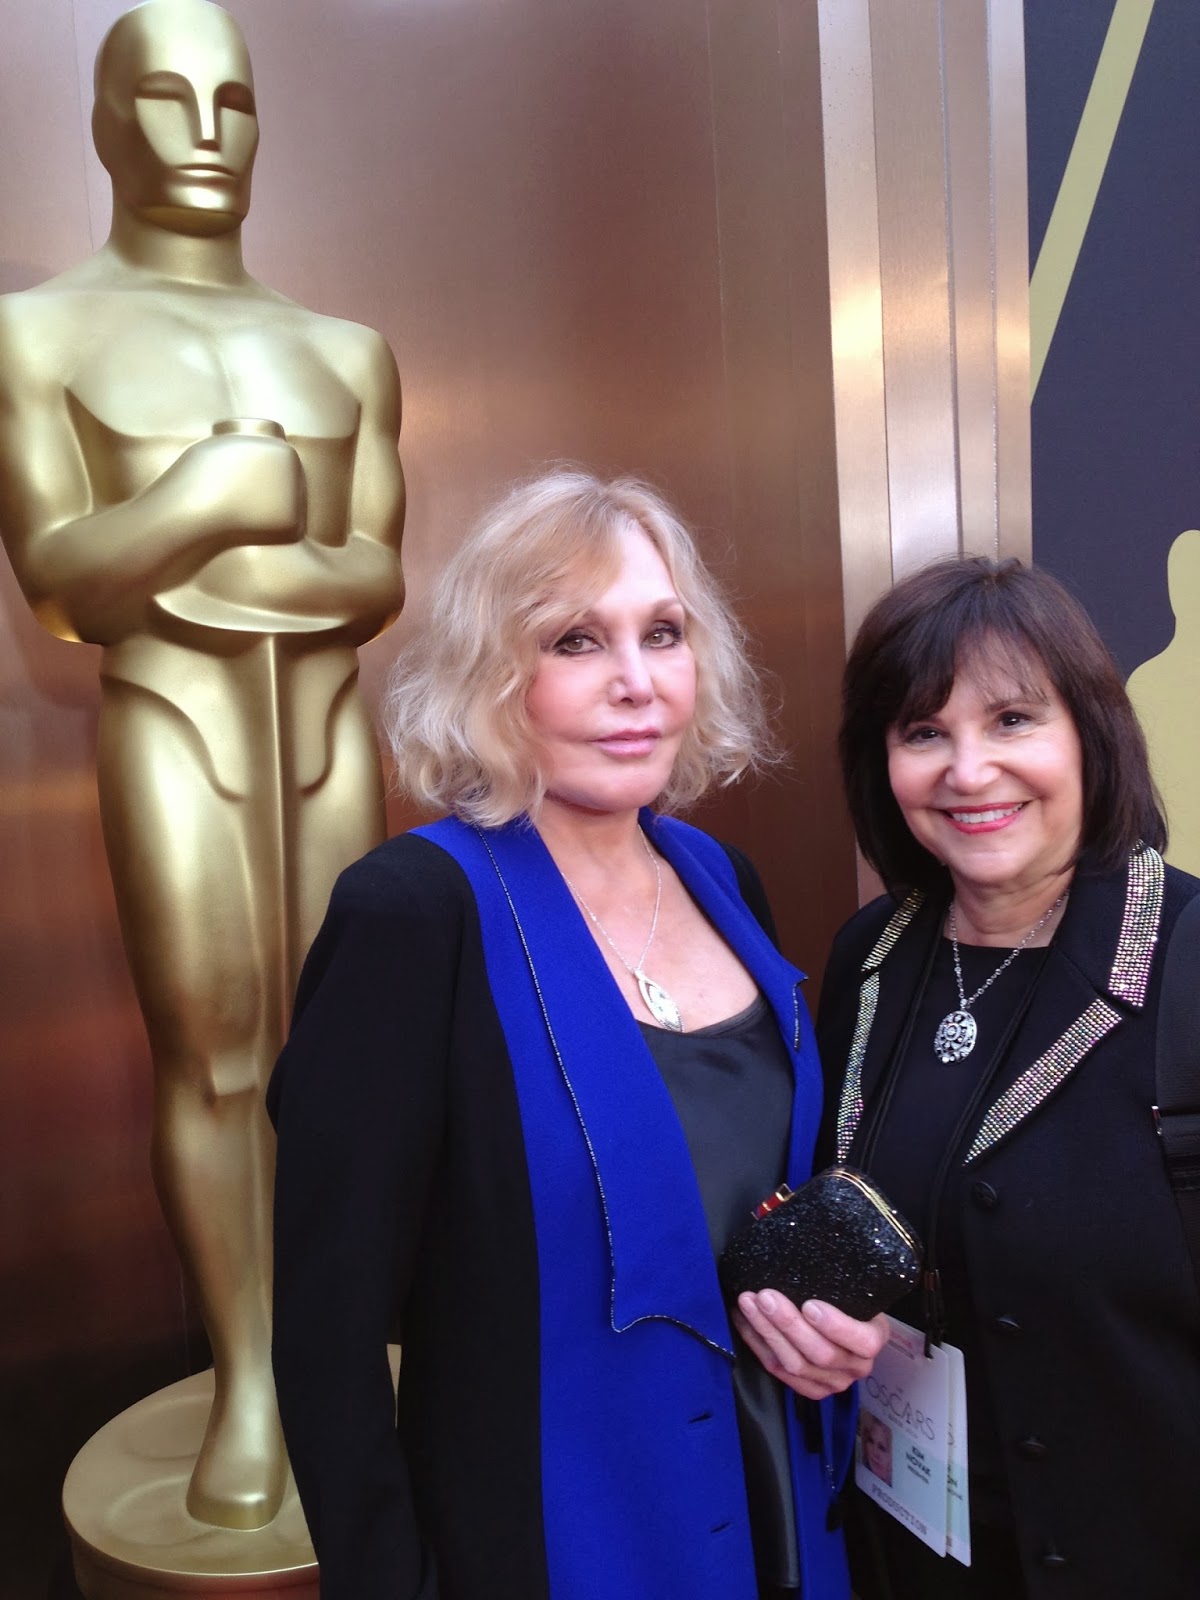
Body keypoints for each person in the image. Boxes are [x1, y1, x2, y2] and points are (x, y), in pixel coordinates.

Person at [268, 470, 887, 1600]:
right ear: (493, 675)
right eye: (576, 641)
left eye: (664, 633)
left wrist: (829, 1324)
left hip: (786, 1509)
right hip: (558, 1542)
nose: (636, 682)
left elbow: (747, 1204)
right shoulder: (415, 914)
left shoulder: (720, 877)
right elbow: (327, 1335)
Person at [0, 0, 405, 1529]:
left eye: (230, 101)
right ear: (106, 123)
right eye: (164, 99)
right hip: (169, 715)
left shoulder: (343, 351)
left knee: (341, 1053)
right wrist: (218, 497)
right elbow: (59, 578)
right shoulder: (35, 335)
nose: (203, 133)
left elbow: (374, 576)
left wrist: (193, 552)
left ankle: (329, 1349)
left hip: (325, 726)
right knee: (216, 1053)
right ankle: (248, 1376)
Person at [817, 556, 1200, 1599]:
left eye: (1013, 720)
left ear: (1090, 734)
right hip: (911, 1555)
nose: (969, 770)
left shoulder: (1186, 958)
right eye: (924, 732)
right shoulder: (869, 959)